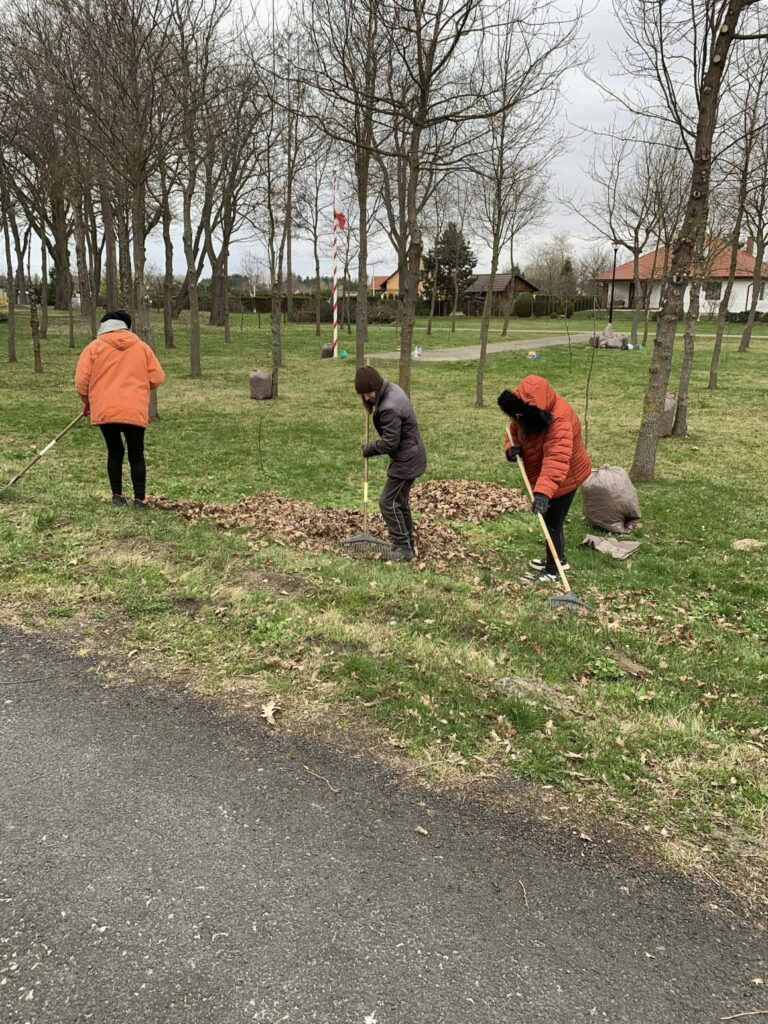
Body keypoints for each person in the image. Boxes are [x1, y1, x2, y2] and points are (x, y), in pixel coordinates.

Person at [498, 375, 591, 583]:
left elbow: (556, 461)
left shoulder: (560, 421)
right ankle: (558, 559)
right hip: (548, 473)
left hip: (566, 476)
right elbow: (512, 432)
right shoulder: (523, 412)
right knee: (550, 521)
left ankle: (553, 570)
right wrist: (510, 450)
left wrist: (542, 493)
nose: (519, 420)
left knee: (552, 523)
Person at [75, 310, 165, 510]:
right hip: (134, 409)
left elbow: (82, 383)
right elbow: (157, 378)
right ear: (127, 326)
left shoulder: (93, 348)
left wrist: (88, 401)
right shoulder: (142, 348)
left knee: (114, 452)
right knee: (136, 454)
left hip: (106, 410)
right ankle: (140, 500)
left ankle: (117, 496)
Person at [354, 365, 427, 561]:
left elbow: (390, 443)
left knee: (387, 502)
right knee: (399, 502)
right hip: (411, 455)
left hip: (407, 460)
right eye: (363, 394)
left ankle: (403, 547)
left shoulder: (389, 408)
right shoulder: (391, 389)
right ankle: (407, 542)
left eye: (369, 392)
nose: (367, 397)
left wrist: (369, 448)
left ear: (377, 387)